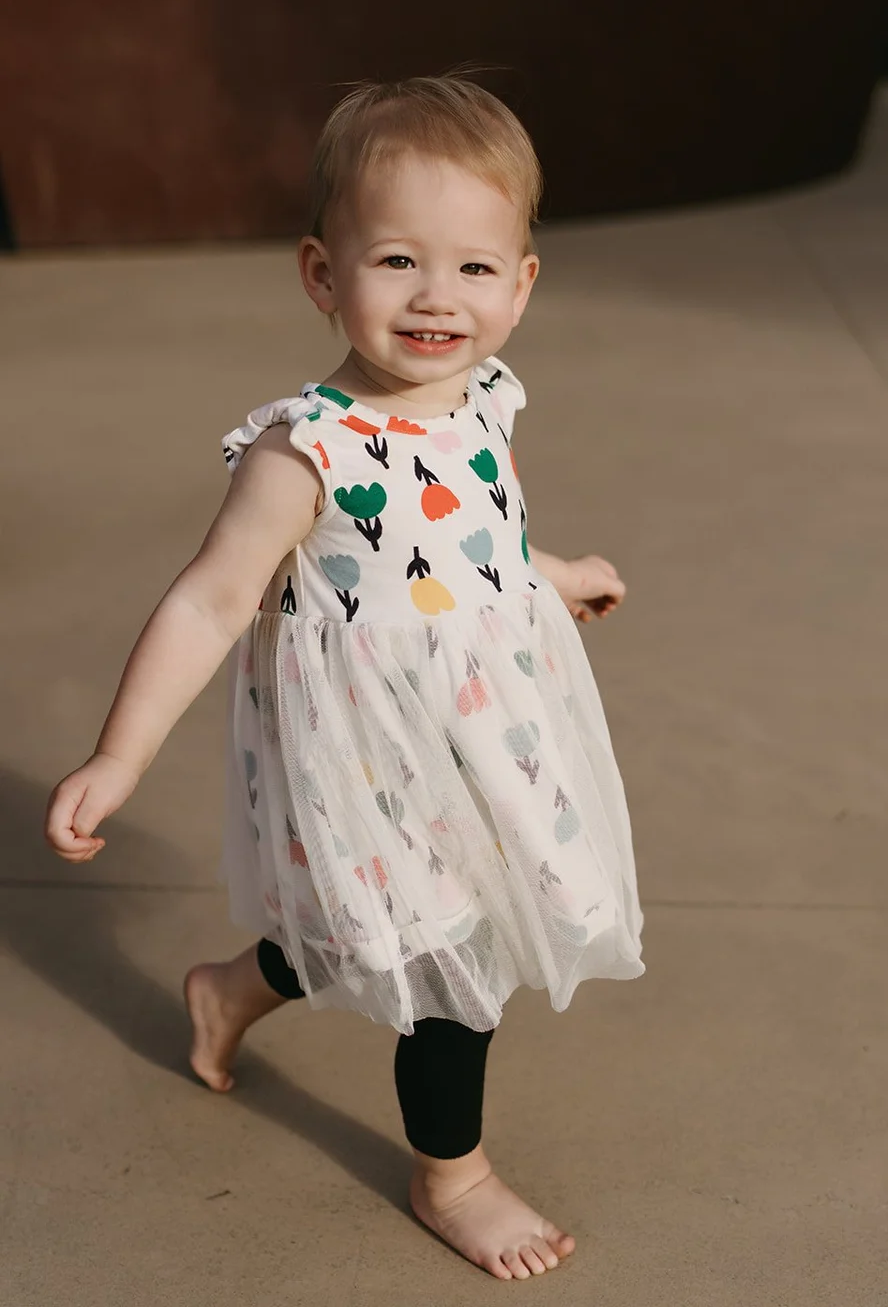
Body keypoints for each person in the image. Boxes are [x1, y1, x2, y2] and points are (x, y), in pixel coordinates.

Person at [45, 74, 645, 1280]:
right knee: (448, 957)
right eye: (397, 261)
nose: (437, 296)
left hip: (487, 732)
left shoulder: (485, 400)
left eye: (474, 267)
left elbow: (471, 531)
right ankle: (453, 1175)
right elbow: (210, 600)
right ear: (324, 274)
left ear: (521, 285)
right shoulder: (304, 450)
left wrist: (549, 572)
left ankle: (228, 992)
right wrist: (119, 753)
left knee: (390, 925)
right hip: (374, 754)